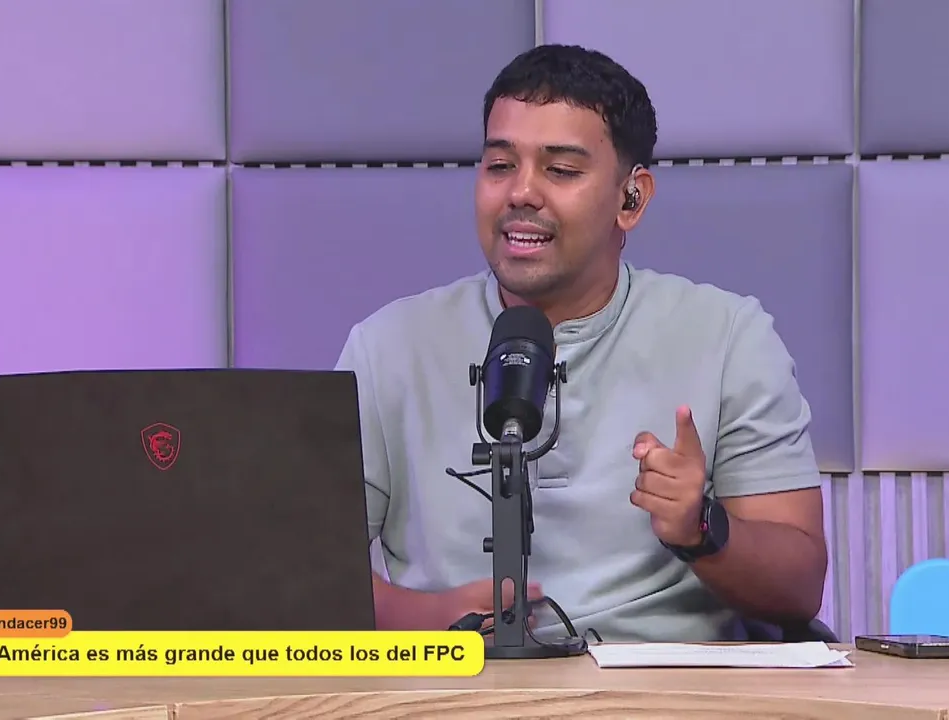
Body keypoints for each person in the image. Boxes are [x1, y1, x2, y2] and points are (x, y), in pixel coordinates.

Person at [335, 44, 827, 642]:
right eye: (499, 165)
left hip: (660, 682)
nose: (521, 193)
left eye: (561, 171)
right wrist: (427, 620)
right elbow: (305, 575)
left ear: (631, 198)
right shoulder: (388, 347)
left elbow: (799, 585)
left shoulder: (728, 336)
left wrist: (701, 527)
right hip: (459, 679)